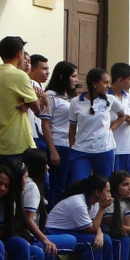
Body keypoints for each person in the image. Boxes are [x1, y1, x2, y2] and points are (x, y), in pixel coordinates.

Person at [46, 174, 118, 260]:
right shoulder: (78, 203)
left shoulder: (94, 203)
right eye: (107, 191)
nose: (110, 195)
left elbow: (95, 225)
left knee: (106, 239)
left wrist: (100, 233)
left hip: (75, 231)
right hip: (57, 232)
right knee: (91, 242)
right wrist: (102, 210)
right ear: (97, 192)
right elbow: (90, 229)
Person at [20, 149, 74, 260]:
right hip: (27, 236)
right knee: (62, 243)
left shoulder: (32, 184)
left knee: (63, 241)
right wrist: (44, 239)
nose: (48, 168)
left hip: (32, 234)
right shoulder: (31, 187)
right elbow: (29, 219)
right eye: (45, 164)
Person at [68, 68, 125, 184]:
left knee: (103, 185)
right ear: (94, 83)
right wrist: (71, 146)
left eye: (108, 82)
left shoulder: (111, 99)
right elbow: (72, 128)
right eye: (105, 82)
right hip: (81, 150)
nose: (108, 86)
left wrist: (112, 128)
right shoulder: (76, 102)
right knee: (78, 183)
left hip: (104, 150)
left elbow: (122, 116)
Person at [0, 36, 39, 167]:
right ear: (19, 53)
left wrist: (27, 103)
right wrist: (33, 100)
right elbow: (38, 109)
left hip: (4, 140)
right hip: (20, 141)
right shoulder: (19, 75)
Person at [45, 61, 78, 205]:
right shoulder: (51, 96)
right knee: (56, 185)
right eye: (73, 76)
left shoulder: (71, 97)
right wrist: (53, 151)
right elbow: (45, 124)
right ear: (62, 77)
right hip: (58, 144)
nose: (76, 80)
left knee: (68, 185)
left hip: (71, 145)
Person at [109, 63, 130, 178]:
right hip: (115, 150)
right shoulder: (106, 98)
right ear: (120, 80)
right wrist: (121, 119)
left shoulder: (129, 98)